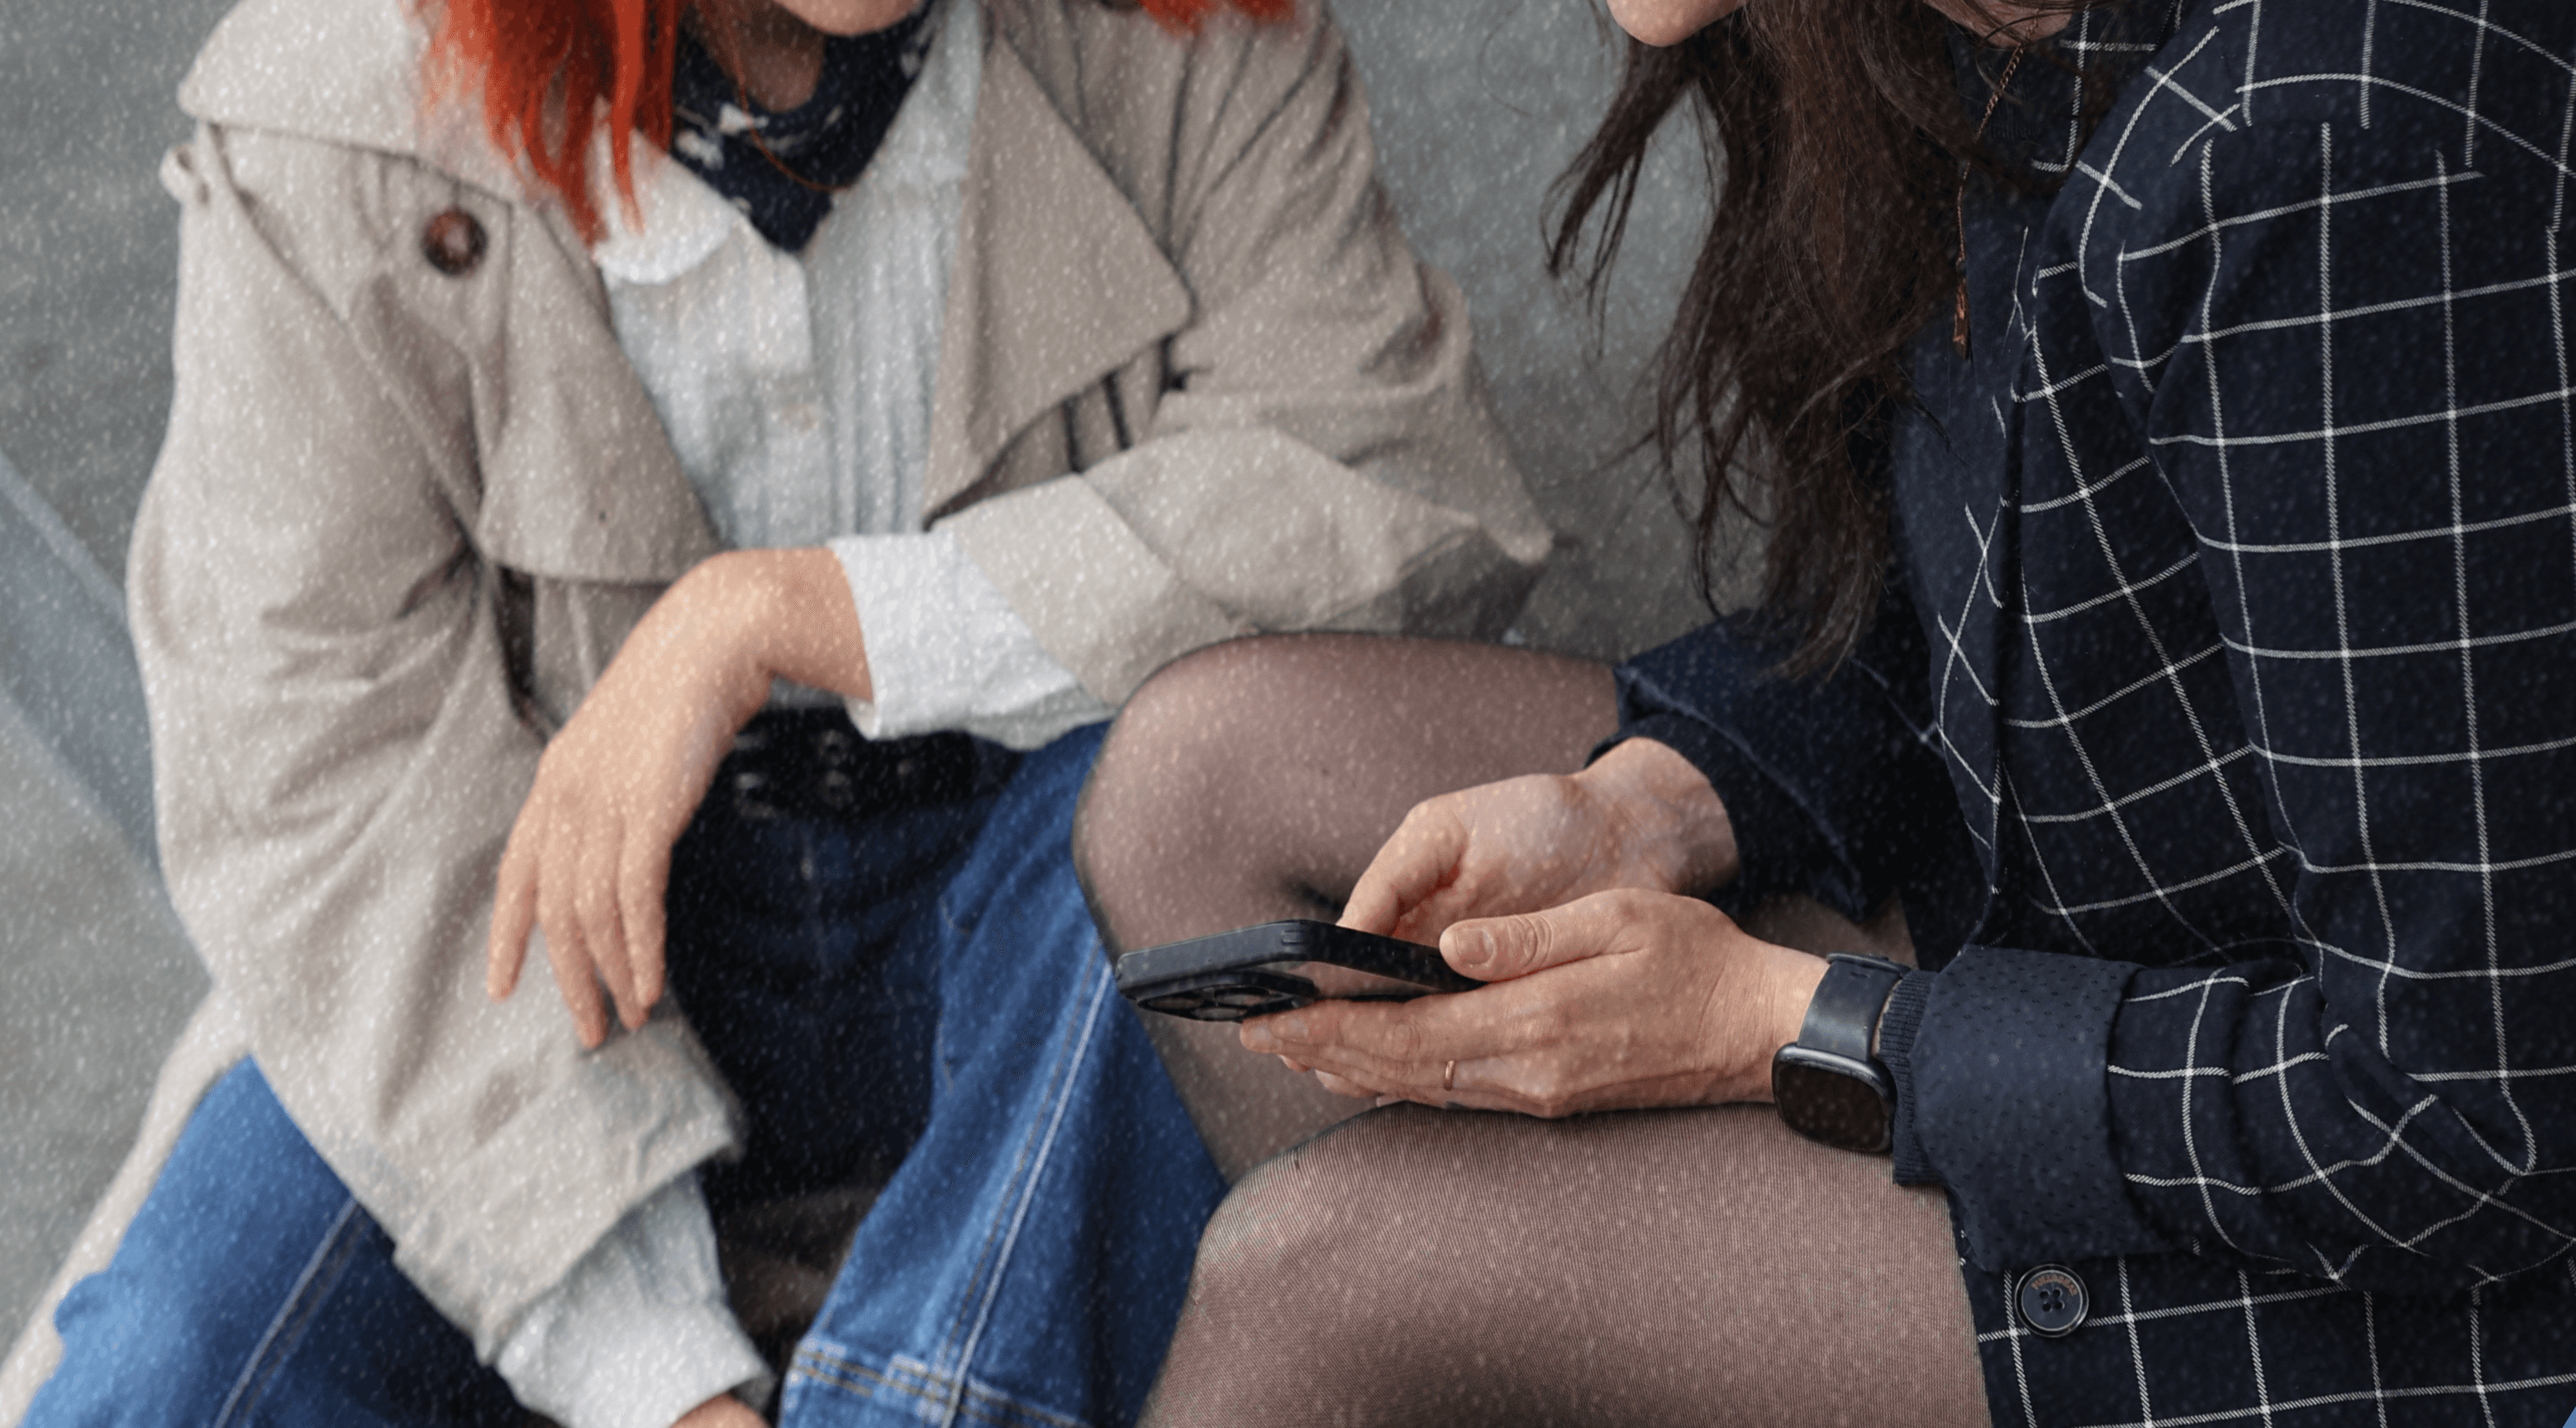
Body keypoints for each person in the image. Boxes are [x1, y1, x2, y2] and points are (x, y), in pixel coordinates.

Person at [0, 0, 1550, 1420]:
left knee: (1169, 818)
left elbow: (1384, 484)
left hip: (1040, 909)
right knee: (174, 1375)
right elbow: (329, 782)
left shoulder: (1178, 32)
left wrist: (797, 617)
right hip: (547, 945)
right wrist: (661, 1389)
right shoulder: (348, 106)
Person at [1074, 0, 2576, 1422]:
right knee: (1199, 785)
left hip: (2405, 1272)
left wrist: (1783, 1028)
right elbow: (1982, 612)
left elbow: (2471, 1124)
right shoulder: (1955, 43)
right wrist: (1648, 805)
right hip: (2082, 939)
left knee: (1331, 1274)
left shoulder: (2324, 144)